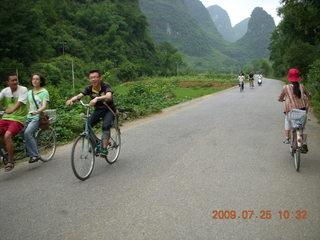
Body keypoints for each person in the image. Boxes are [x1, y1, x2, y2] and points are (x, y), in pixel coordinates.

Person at [66, 69, 116, 155]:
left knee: (106, 126)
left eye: (96, 77)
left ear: (100, 78)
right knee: (86, 126)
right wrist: (72, 100)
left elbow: (109, 96)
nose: (94, 79)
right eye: (91, 78)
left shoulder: (105, 86)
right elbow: (80, 95)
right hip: (98, 111)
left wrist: (97, 98)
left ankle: (104, 148)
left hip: (109, 110)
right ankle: (96, 143)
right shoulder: (89, 88)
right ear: (89, 80)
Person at [278, 68, 311, 152]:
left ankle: (287, 138)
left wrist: (281, 99)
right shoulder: (302, 86)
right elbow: (309, 95)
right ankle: (304, 143)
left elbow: (280, 98)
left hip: (291, 112)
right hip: (302, 112)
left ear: (289, 77)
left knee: (287, 120)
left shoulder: (286, 87)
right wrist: (307, 98)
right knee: (303, 127)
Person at [0, 73, 28, 171]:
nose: (15, 82)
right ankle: (9, 150)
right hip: (6, 118)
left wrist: (11, 110)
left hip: (19, 118)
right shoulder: (5, 91)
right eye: (12, 80)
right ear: (7, 82)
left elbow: (19, 103)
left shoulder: (23, 89)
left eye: (16, 80)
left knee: (7, 136)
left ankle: (11, 160)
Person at [24, 73, 49, 163]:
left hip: (37, 116)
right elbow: (27, 105)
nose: (35, 81)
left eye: (37, 79)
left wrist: (37, 111)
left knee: (27, 133)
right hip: (28, 116)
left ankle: (35, 155)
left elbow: (44, 106)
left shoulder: (44, 92)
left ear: (40, 81)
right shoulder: (29, 92)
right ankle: (30, 150)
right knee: (21, 132)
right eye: (33, 79)